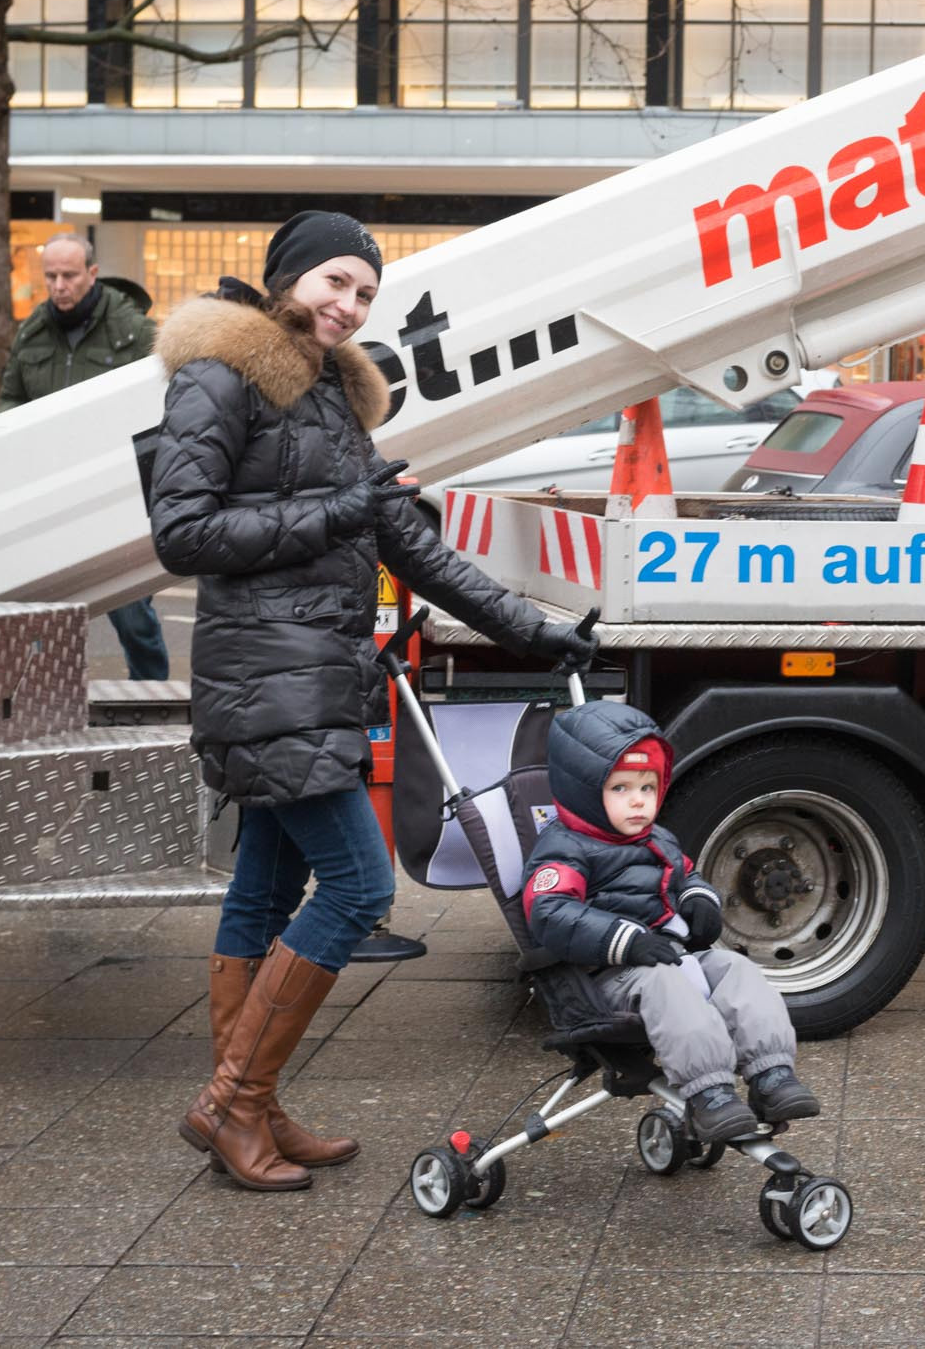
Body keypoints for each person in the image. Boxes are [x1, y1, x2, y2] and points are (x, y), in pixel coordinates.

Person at [149, 210, 597, 1191]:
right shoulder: (218, 377)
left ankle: (250, 1106)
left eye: (364, 294)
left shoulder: (331, 401)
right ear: (287, 277)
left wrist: (530, 624)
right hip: (268, 677)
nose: (349, 306)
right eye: (337, 283)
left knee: (266, 889)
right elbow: (182, 532)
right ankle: (230, 1102)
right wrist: (334, 512)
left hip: (312, 678)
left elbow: (413, 544)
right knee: (358, 885)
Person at [522, 700, 821, 1144]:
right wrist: (626, 941)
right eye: (620, 789)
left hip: (674, 957)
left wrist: (700, 900)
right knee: (666, 983)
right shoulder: (565, 848)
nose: (638, 801)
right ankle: (711, 1092)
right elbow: (549, 912)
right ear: (584, 792)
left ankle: (772, 1073)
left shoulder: (656, 837)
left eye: (647, 787)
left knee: (738, 970)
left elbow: (686, 876)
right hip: (608, 974)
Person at [0, 233, 170, 680]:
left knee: (132, 613)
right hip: (49, 493)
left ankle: (152, 694)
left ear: (92, 273)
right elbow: (11, 398)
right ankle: (46, 699)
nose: (59, 285)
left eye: (69, 275)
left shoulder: (133, 329)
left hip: (118, 493)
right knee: (44, 610)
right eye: (50, 276)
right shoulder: (32, 330)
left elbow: (164, 399)